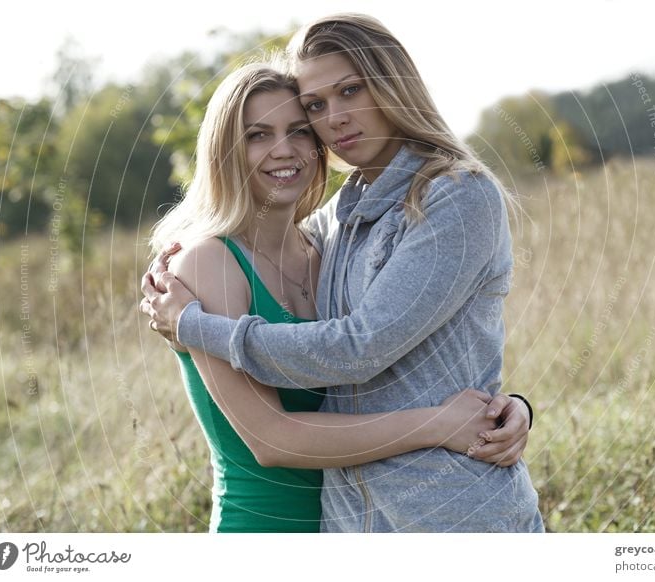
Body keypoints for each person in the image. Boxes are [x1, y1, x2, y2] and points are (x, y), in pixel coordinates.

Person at [142, 13, 543, 532]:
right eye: (316, 106)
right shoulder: (335, 224)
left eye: (351, 90)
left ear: (392, 84)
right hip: (349, 523)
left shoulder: (453, 195)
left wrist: (193, 325)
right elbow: (272, 435)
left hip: (450, 515)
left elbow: (365, 345)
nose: (335, 119)